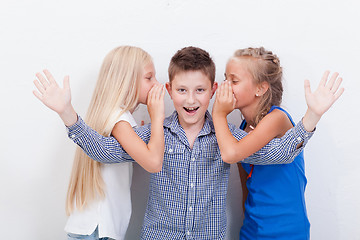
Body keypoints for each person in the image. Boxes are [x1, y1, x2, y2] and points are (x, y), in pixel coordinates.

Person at [36, 46, 318, 239]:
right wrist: (68, 114)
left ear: (214, 91)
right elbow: (106, 151)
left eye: (200, 90)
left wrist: (310, 119)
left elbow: (277, 153)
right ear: (169, 91)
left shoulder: (227, 136)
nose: (191, 99)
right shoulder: (155, 134)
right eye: (182, 90)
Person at [33, 46, 165, 240]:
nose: (156, 84)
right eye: (149, 77)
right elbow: (153, 163)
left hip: (92, 228)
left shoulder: (118, 117)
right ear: (126, 81)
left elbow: (121, 152)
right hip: (98, 231)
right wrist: (158, 118)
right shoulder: (120, 119)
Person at [212, 47, 344, 240]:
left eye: (234, 81)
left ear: (260, 88)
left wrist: (218, 113)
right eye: (225, 78)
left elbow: (231, 154)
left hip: (287, 231)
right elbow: (246, 188)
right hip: (253, 230)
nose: (226, 86)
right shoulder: (242, 128)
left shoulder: (277, 118)